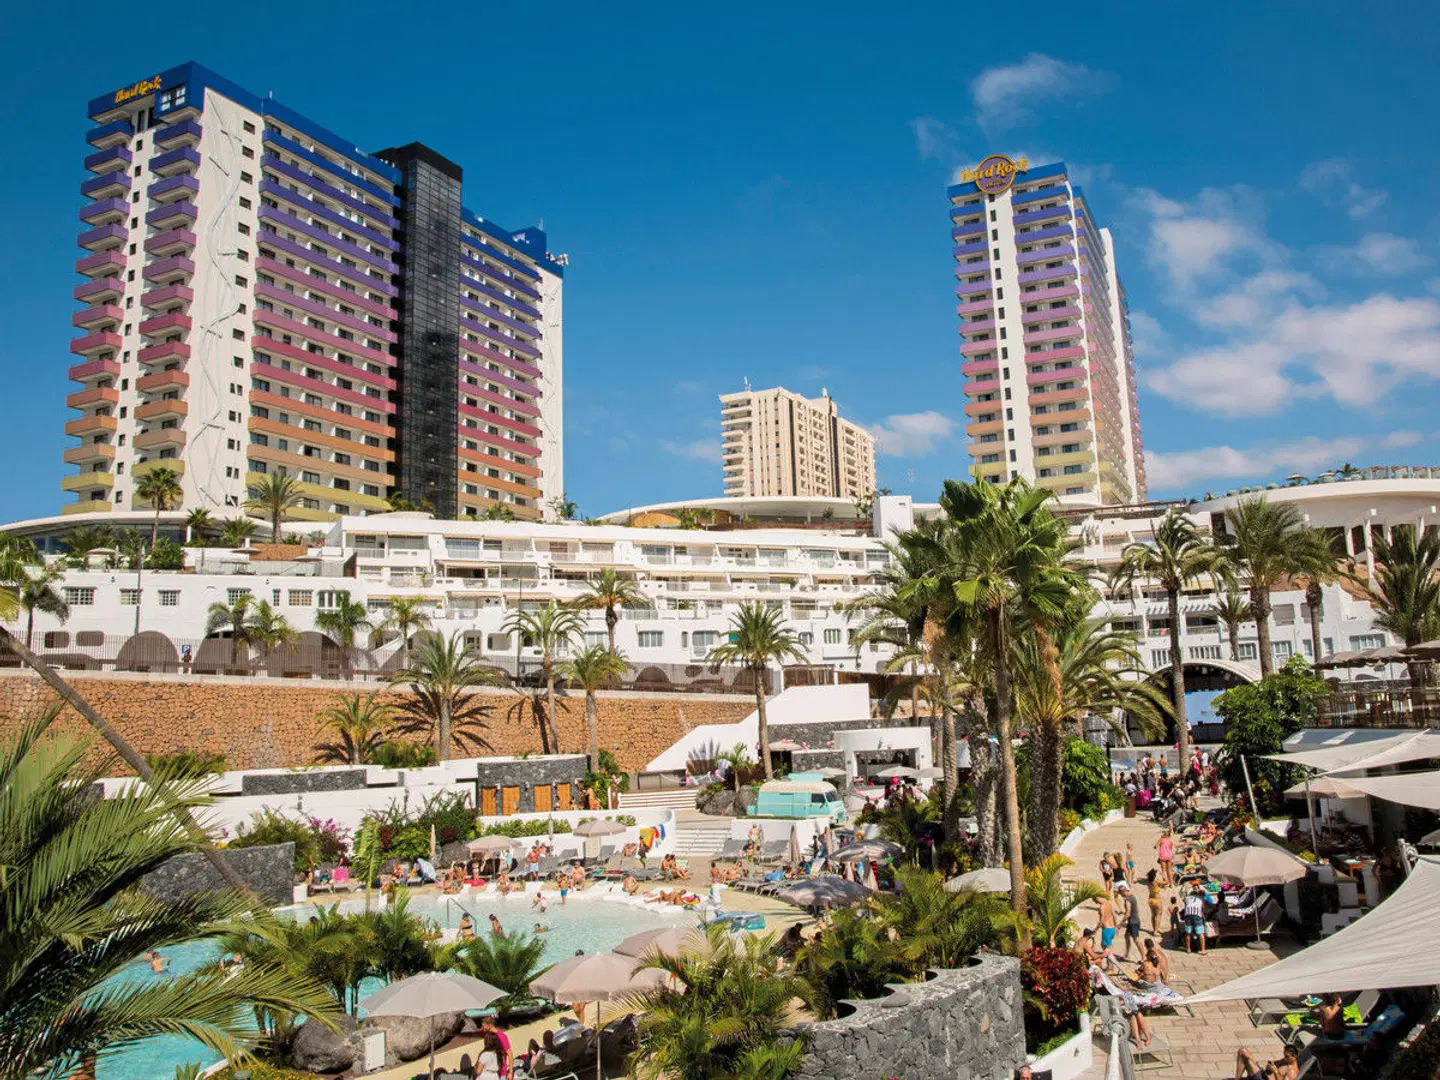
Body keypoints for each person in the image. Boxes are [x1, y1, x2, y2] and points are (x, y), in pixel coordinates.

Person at [1234, 1044, 1299, 1080]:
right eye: (1284, 1055)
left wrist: (1275, 1072)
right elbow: (1273, 1065)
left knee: (1242, 1052)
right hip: (1264, 1074)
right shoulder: (1286, 1061)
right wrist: (1270, 1065)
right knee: (1244, 1051)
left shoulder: (1292, 1072)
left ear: (1294, 1056)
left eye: (1287, 1056)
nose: (1284, 1058)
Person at [1182, 883, 1209, 955]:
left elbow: (1185, 906)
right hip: (1197, 914)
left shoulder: (1187, 898)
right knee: (1201, 933)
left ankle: (1188, 949)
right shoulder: (1201, 899)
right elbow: (1203, 908)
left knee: (1188, 932)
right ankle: (1203, 950)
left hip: (1188, 915)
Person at [1118, 883, 1142, 959]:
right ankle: (1127, 954)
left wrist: (1121, 923)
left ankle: (1143, 957)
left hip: (1133, 922)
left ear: (1122, 892)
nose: (1121, 896)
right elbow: (1137, 909)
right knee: (1126, 936)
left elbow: (1127, 913)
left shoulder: (1127, 900)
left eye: (1121, 894)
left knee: (1136, 939)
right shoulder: (1133, 896)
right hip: (1134, 921)